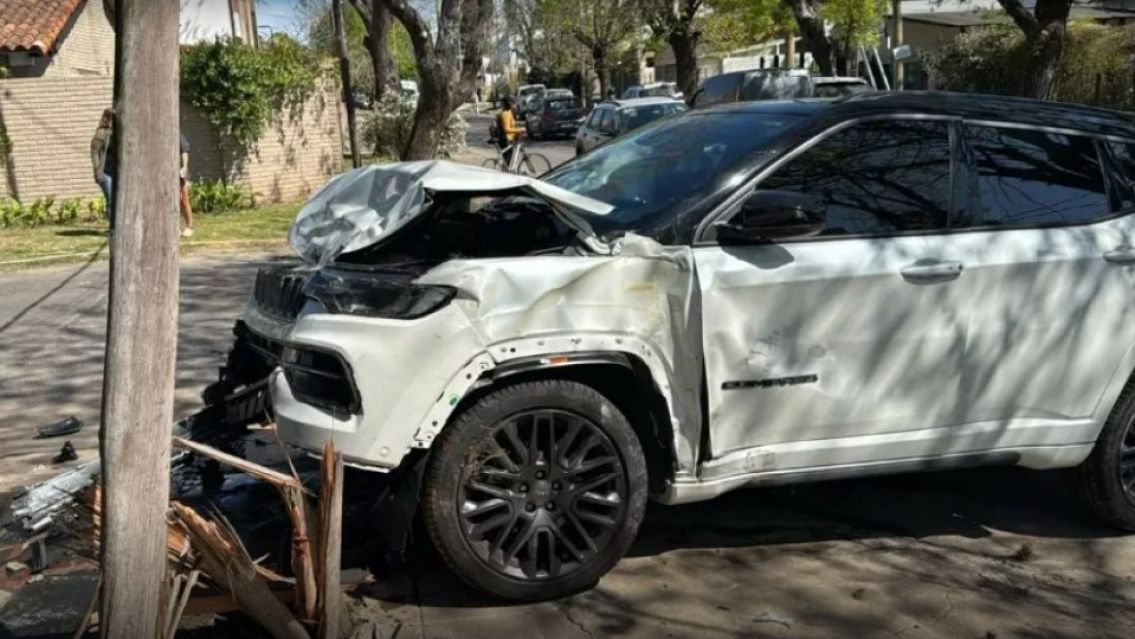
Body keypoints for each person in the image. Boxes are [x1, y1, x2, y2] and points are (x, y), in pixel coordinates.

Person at [90, 109, 115, 229]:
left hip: (113, 172)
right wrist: (97, 171)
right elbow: (94, 154)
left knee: (115, 200)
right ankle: (113, 228)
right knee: (111, 200)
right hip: (104, 173)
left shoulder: (115, 133)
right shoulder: (101, 134)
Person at [496, 96, 524, 169]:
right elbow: (507, 129)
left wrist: (518, 129)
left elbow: (513, 124)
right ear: (509, 103)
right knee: (507, 163)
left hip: (509, 139)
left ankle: (505, 171)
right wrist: (519, 130)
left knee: (508, 162)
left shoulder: (509, 112)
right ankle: (504, 174)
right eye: (513, 103)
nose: (515, 105)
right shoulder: (506, 114)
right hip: (506, 140)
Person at [179, 133, 194, 237]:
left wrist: (184, 167)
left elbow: (184, 151)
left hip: (178, 171)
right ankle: (177, 227)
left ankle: (190, 226)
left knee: (183, 199)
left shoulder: (177, 134)